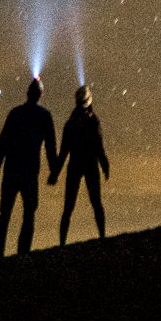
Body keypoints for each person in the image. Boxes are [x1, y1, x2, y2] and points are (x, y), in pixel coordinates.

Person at [0, 76, 58, 258]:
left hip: (11, 170)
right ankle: (23, 253)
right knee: (29, 213)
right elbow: (51, 146)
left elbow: (2, 144)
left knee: (5, 214)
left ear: (28, 93)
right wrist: (54, 171)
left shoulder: (15, 113)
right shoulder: (44, 116)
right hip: (29, 172)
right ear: (40, 95)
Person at [56, 84, 111, 243]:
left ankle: (62, 243)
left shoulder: (70, 123)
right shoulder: (93, 120)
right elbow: (99, 145)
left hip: (75, 164)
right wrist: (105, 165)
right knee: (96, 202)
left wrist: (55, 173)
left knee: (68, 206)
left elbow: (64, 150)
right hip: (90, 164)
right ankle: (102, 236)